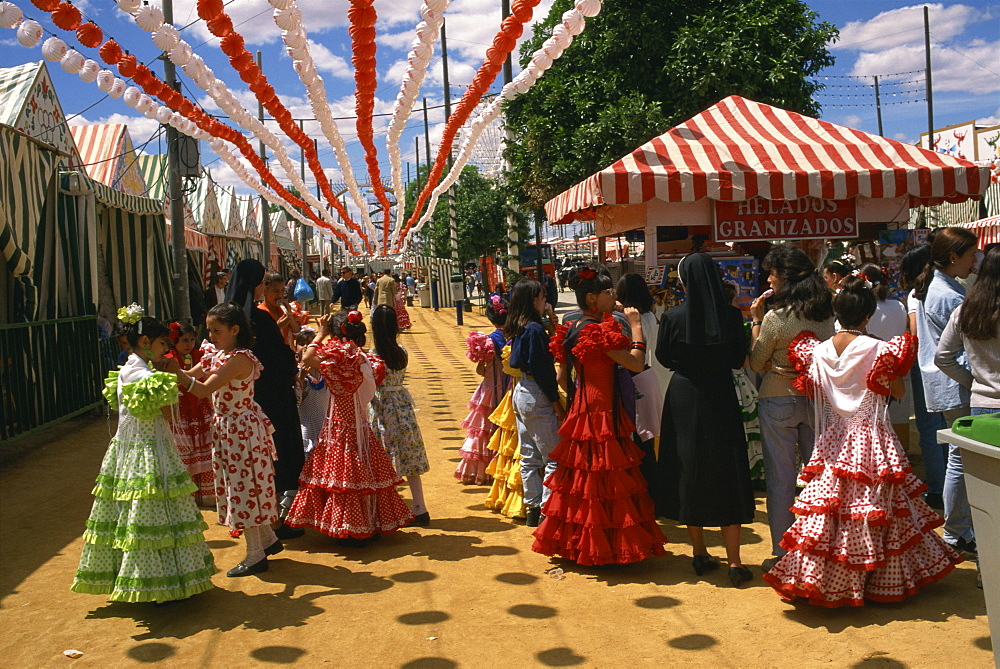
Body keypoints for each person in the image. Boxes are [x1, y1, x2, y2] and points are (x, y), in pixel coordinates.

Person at [763, 276, 961, 606]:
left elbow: (815, 389)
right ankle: (877, 579)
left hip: (832, 440)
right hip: (871, 439)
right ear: (868, 316)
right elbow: (896, 392)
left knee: (831, 511)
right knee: (876, 509)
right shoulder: (881, 349)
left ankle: (825, 578)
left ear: (836, 314)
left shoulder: (817, 350)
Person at [72, 306, 216, 602]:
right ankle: (150, 580)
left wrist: (178, 373)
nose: (167, 349)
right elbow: (164, 406)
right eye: (164, 344)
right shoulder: (140, 372)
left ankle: (158, 577)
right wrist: (177, 376)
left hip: (142, 445)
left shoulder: (137, 367)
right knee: (147, 511)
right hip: (145, 449)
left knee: (145, 511)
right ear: (146, 342)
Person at [533, 267, 666, 566]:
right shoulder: (595, 330)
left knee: (584, 476)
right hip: (603, 409)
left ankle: (580, 543)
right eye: (608, 292)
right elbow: (635, 363)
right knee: (607, 475)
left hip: (584, 406)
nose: (614, 296)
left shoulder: (573, 326)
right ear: (592, 298)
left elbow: (563, 378)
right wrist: (636, 327)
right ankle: (608, 546)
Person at [655, 254, 755, 585]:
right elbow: (740, 360)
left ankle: (699, 552)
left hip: (684, 395)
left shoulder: (672, 316)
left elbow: (663, 357)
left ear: (684, 281)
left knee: (689, 467)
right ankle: (735, 562)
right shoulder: (730, 316)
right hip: (720, 396)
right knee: (728, 470)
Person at [170, 303, 282, 577]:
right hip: (229, 428)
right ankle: (266, 540)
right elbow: (191, 377)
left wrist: (174, 373)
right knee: (243, 485)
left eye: (216, 330)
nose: (211, 336)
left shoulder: (239, 359)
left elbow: (203, 388)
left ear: (235, 330)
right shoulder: (219, 354)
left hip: (240, 429)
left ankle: (256, 553)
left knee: (245, 487)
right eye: (209, 330)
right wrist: (165, 374)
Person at [285, 310, 414, 546]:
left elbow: (307, 358)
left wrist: (320, 334)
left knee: (342, 475)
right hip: (359, 423)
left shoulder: (336, 357)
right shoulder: (363, 358)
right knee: (364, 470)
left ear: (335, 332)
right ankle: (368, 523)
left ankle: (347, 526)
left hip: (337, 423)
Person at [749, 244, 835, 572]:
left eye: (772, 273)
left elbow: (757, 364)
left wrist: (756, 324)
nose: (768, 278)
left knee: (781, 480)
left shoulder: (775, 317)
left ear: (785, 278)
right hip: (816, 399)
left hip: (777, 397)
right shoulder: (825, 314)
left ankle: (784, 552)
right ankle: (818, 548)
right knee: (818, 481)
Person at [227, 259, 306, 541]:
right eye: (262, 283)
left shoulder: (229, 317)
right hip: (271, 399)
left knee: (252, 464)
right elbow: (278, 357)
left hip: (242, 401)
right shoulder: (255, 319)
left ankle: (260, 525)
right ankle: (272, 524)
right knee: (275, 456)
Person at [913, 227, 979, 556]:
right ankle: (957, 530)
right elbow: (962, 351)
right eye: (971, 254)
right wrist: (973, 380)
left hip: (946, 383)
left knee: (958, 457)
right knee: (961, 459)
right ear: (954, 257)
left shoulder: (940, 288)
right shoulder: (949, 295)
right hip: (955, 385)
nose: (975, 260)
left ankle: (958, 529)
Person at [935, 244, 998, 569]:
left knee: (973, 478)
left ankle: (972, 549)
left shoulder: (967, 309)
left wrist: (973, 381)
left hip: (981, 407)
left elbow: (942, 356)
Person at [507, 279, 565, 528]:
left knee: (529, 456)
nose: (545, 301)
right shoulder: (533, 330)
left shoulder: (520, 326)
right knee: (554, 456)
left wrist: (549, 315)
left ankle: (533, 508)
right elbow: (544, 371)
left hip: (521, 390)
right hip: (536, 392)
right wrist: (555, 401)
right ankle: (546, 510)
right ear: (533, 300)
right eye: (542, 297)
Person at [369, 305, 429, 524]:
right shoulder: (401, 351)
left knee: (382, 456)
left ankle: (385, 510)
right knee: (409, 453)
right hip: (402, 404)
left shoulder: (372, 357)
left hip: (381, 405)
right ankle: (420, 506)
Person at [901, 244, 947, 509]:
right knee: (947, 428)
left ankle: (938, 488)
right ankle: (949, 486)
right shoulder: (947, 289)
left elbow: (915, 335)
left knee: (929, 430)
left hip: (924, 365)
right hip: (949, 365)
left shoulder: (916, 295)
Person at [456, 293, 511, 486]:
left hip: (490, 390)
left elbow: (481, 370)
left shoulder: (487, 341)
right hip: (511, 387)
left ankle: (482, 471)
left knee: (484, 430)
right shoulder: (514, 337)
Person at [616, 273, 665, 488]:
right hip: (648, 376)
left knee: (638, 440)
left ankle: (646, 490)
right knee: (648, 440)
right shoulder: (651, 316)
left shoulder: (627, 320)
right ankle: (654, 488)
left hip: (633, 377)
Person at [857, 264, 911, 451]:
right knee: (898, 422)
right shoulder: (898, 306)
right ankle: (903, 465)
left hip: (868, 376)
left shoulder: (863, 310)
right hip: (897, 373)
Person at [164, 321, 215, 505]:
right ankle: (187, 497)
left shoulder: (201, 356)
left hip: (200, 409)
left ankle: (207, 496)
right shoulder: (169, 360)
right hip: (180, 412)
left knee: (204, 449)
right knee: (184, 451)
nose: (189, 344)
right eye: (184, 340)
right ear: (174, 341)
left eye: (192, 339)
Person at [296, 329, 329, 456]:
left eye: (309, 344)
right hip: (306, 427)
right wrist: (301, 378)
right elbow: (297, 401)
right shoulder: (295, 372)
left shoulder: (324, 373)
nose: (305, 347)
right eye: (302, 343)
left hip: (323, 425)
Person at [259, 272, 302, 350]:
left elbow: (298, 336)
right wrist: (277, 327)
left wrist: (290, 316)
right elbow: (261, 340)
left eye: (282, 290)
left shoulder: (285, 309)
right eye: (275, 291)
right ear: (265, 291)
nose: (280, 295)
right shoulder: (260, 313)